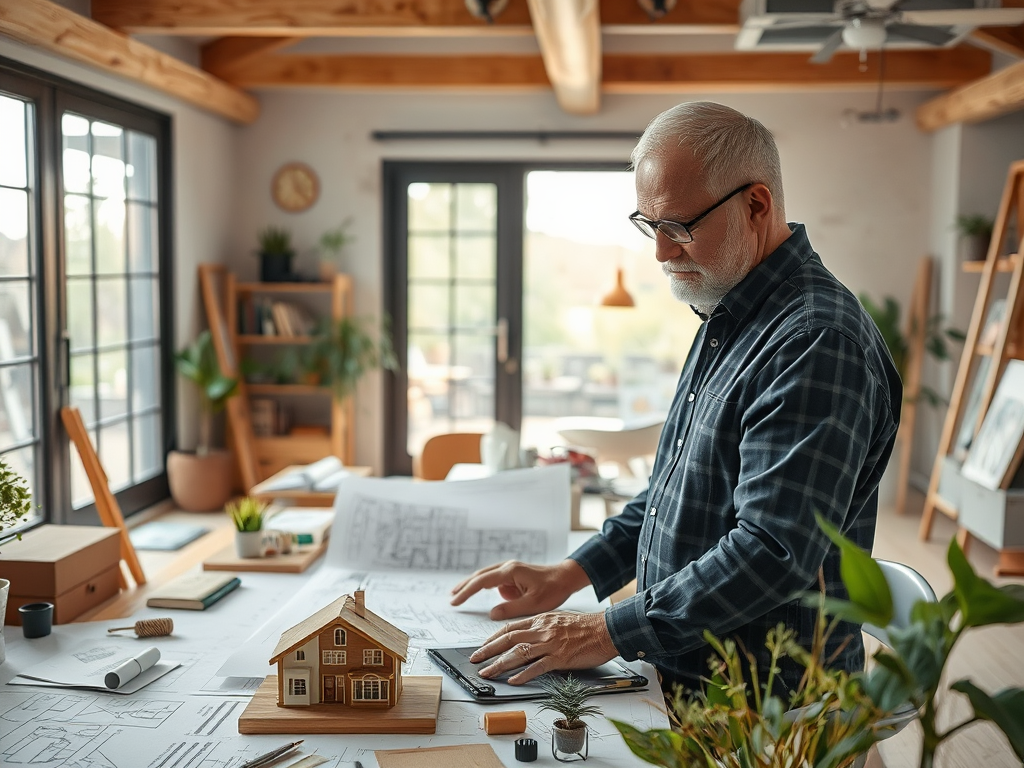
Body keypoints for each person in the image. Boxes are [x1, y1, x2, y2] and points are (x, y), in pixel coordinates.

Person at [450, 101, 903, 695]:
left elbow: (771, 551)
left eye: (679, 227)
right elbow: (678, 493)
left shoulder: (815, 340)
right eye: (650, 225)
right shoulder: (731, 310)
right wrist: (575, 572)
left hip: (760, 705)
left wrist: (603, 631)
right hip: (684, 668)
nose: (661, 252)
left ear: (756, 205)